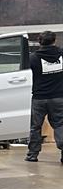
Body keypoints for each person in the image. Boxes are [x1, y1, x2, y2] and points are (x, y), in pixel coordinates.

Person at [26, 31, 63, 163]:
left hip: (39, 98)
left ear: (40, 42)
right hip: (59, 97)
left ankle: (32, 155)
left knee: (36, 127)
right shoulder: (61, 55)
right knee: (60, 124)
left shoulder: (33, 58)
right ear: (54, 41)